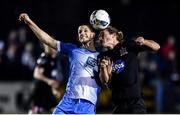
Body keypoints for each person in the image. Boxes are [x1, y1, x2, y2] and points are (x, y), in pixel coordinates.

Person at [19, 13, 101, 114]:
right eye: (80, 32)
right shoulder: (73, 50)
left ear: (93, 34)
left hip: (87, 104)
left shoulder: (101, 56)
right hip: (67, 101)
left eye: (85, 31)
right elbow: (48, 40)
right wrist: (29, 22)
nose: (82, 33)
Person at [98, 26, 160, 113]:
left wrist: (144, 41)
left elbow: (156, 47)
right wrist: (103, 68)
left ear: (114, 35)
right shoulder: (104, 56)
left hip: (135, 103)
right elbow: (105, 81)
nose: (100, 38)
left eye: (102, 35)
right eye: (99, 36)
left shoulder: (127, 45)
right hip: (118, 105)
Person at [28, 44, 61, 114]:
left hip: (47, 90)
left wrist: (53, 89)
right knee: (35, 111)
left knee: (56, 110)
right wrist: (48, 81)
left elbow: (52, 77)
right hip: (39, 90)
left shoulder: (54, 59)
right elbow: (36, 74)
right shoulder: (44, 57)